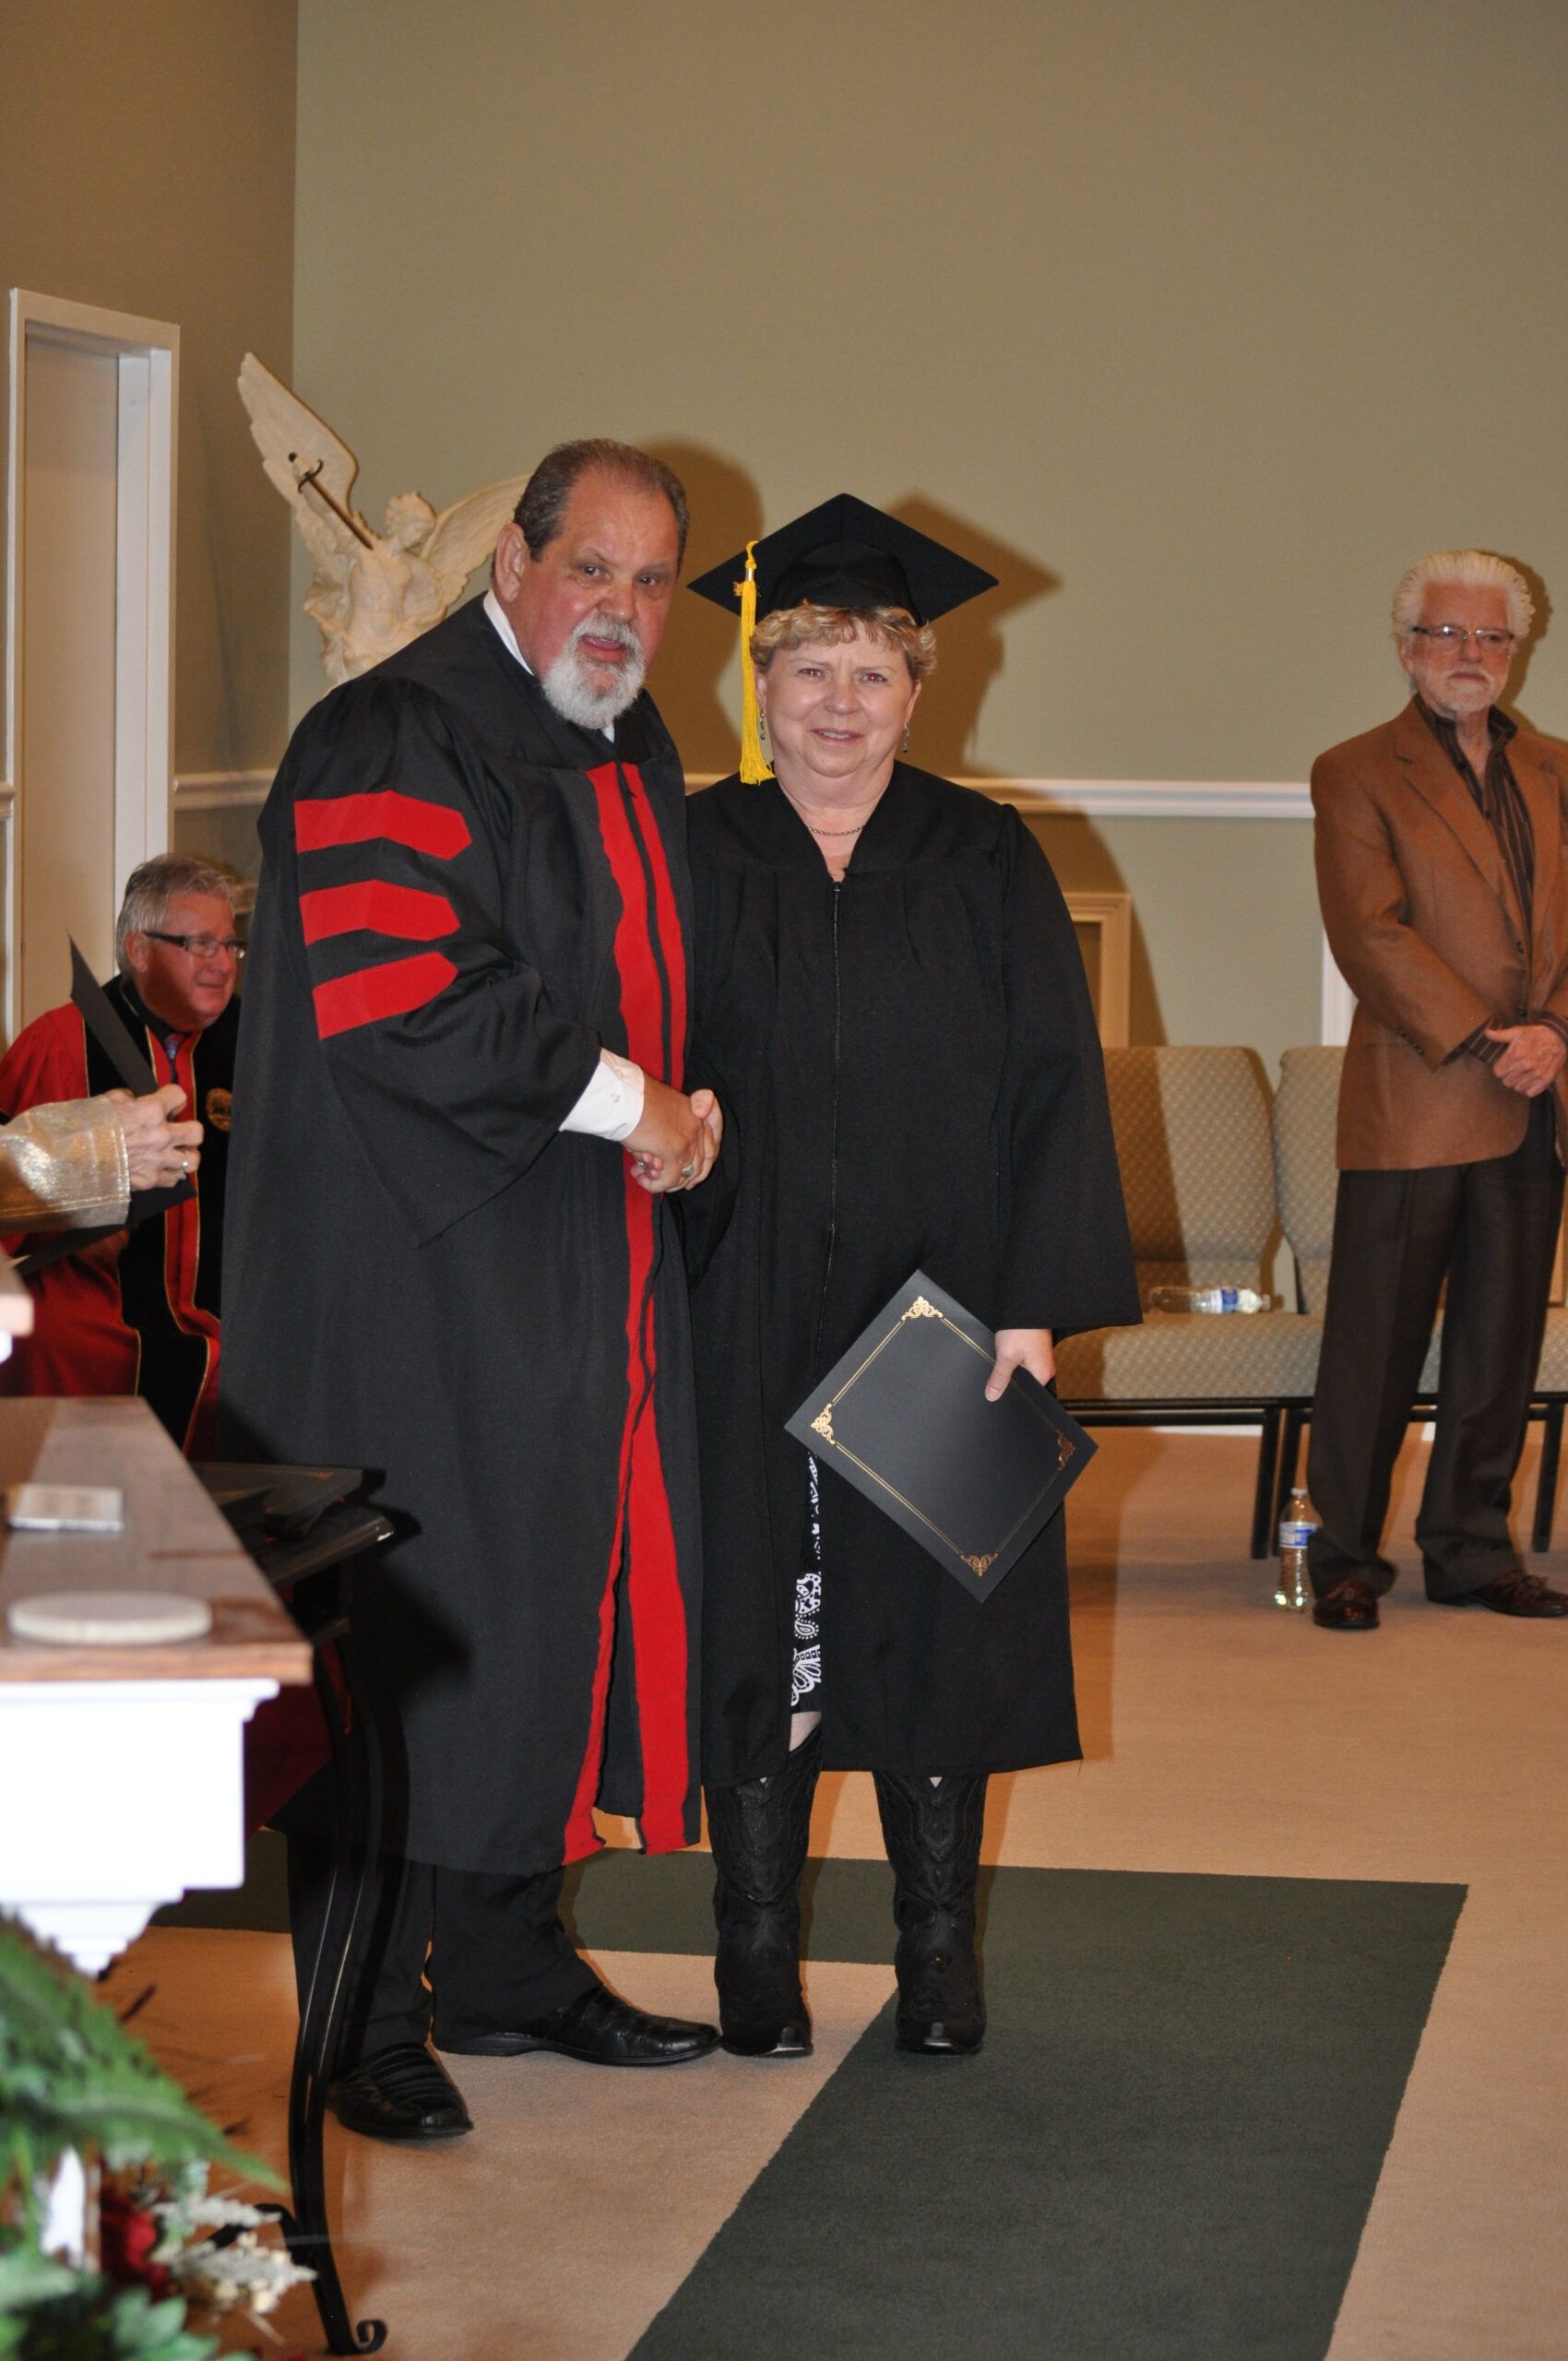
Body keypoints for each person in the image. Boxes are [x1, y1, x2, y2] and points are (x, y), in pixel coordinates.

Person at [221, 440, 724, 2147]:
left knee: (539, 1600)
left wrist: (685, 1099)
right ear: (511, 559)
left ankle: (507, 1961)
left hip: (564, 1249)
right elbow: (405, 995)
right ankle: (357, 2022)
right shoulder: (391, 729)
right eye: (595, 568)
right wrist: (632, 1103)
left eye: (655, 582)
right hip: (404, 1266)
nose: (626, 612)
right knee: (411, 1623)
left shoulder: (615, 733)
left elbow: (639, 962)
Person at [677, 496, 1138, 2058]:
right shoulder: (697, 843)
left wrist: (1032, 1301)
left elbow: (1052, 1085)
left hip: (935, 1305)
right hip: (732, 1295)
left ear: (920, 690)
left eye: (872, 673)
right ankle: (752, 1951)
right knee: (757, 1610)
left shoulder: (982, 850)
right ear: (760, 685)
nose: (837, 704)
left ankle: (935, 1948)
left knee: (934, 1617)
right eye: (807, 670)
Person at [1307, 550, 1568, 1631]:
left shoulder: (1558, 768)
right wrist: (1484, 1037)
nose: (1470, 656)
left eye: (1491, 638)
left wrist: (1551, 1033)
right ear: (1406, 647)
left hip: (1534, 1098)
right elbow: (1368, 933)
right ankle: (1342, 1557)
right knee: (1373, 1342)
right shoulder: (1355, 769)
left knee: (1498, 1342)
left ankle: (1467, 1549)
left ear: (1517, 650)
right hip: (1416, 1095)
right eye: (1448, 635)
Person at [0, 856, 235, 1452]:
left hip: (219, 1304)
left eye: (231, 945)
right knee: (56, 1339)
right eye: (200, 943)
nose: (222, 962)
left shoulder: (249, 1048)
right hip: (97, 1302)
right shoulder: (58, 1044)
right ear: (138, 949)